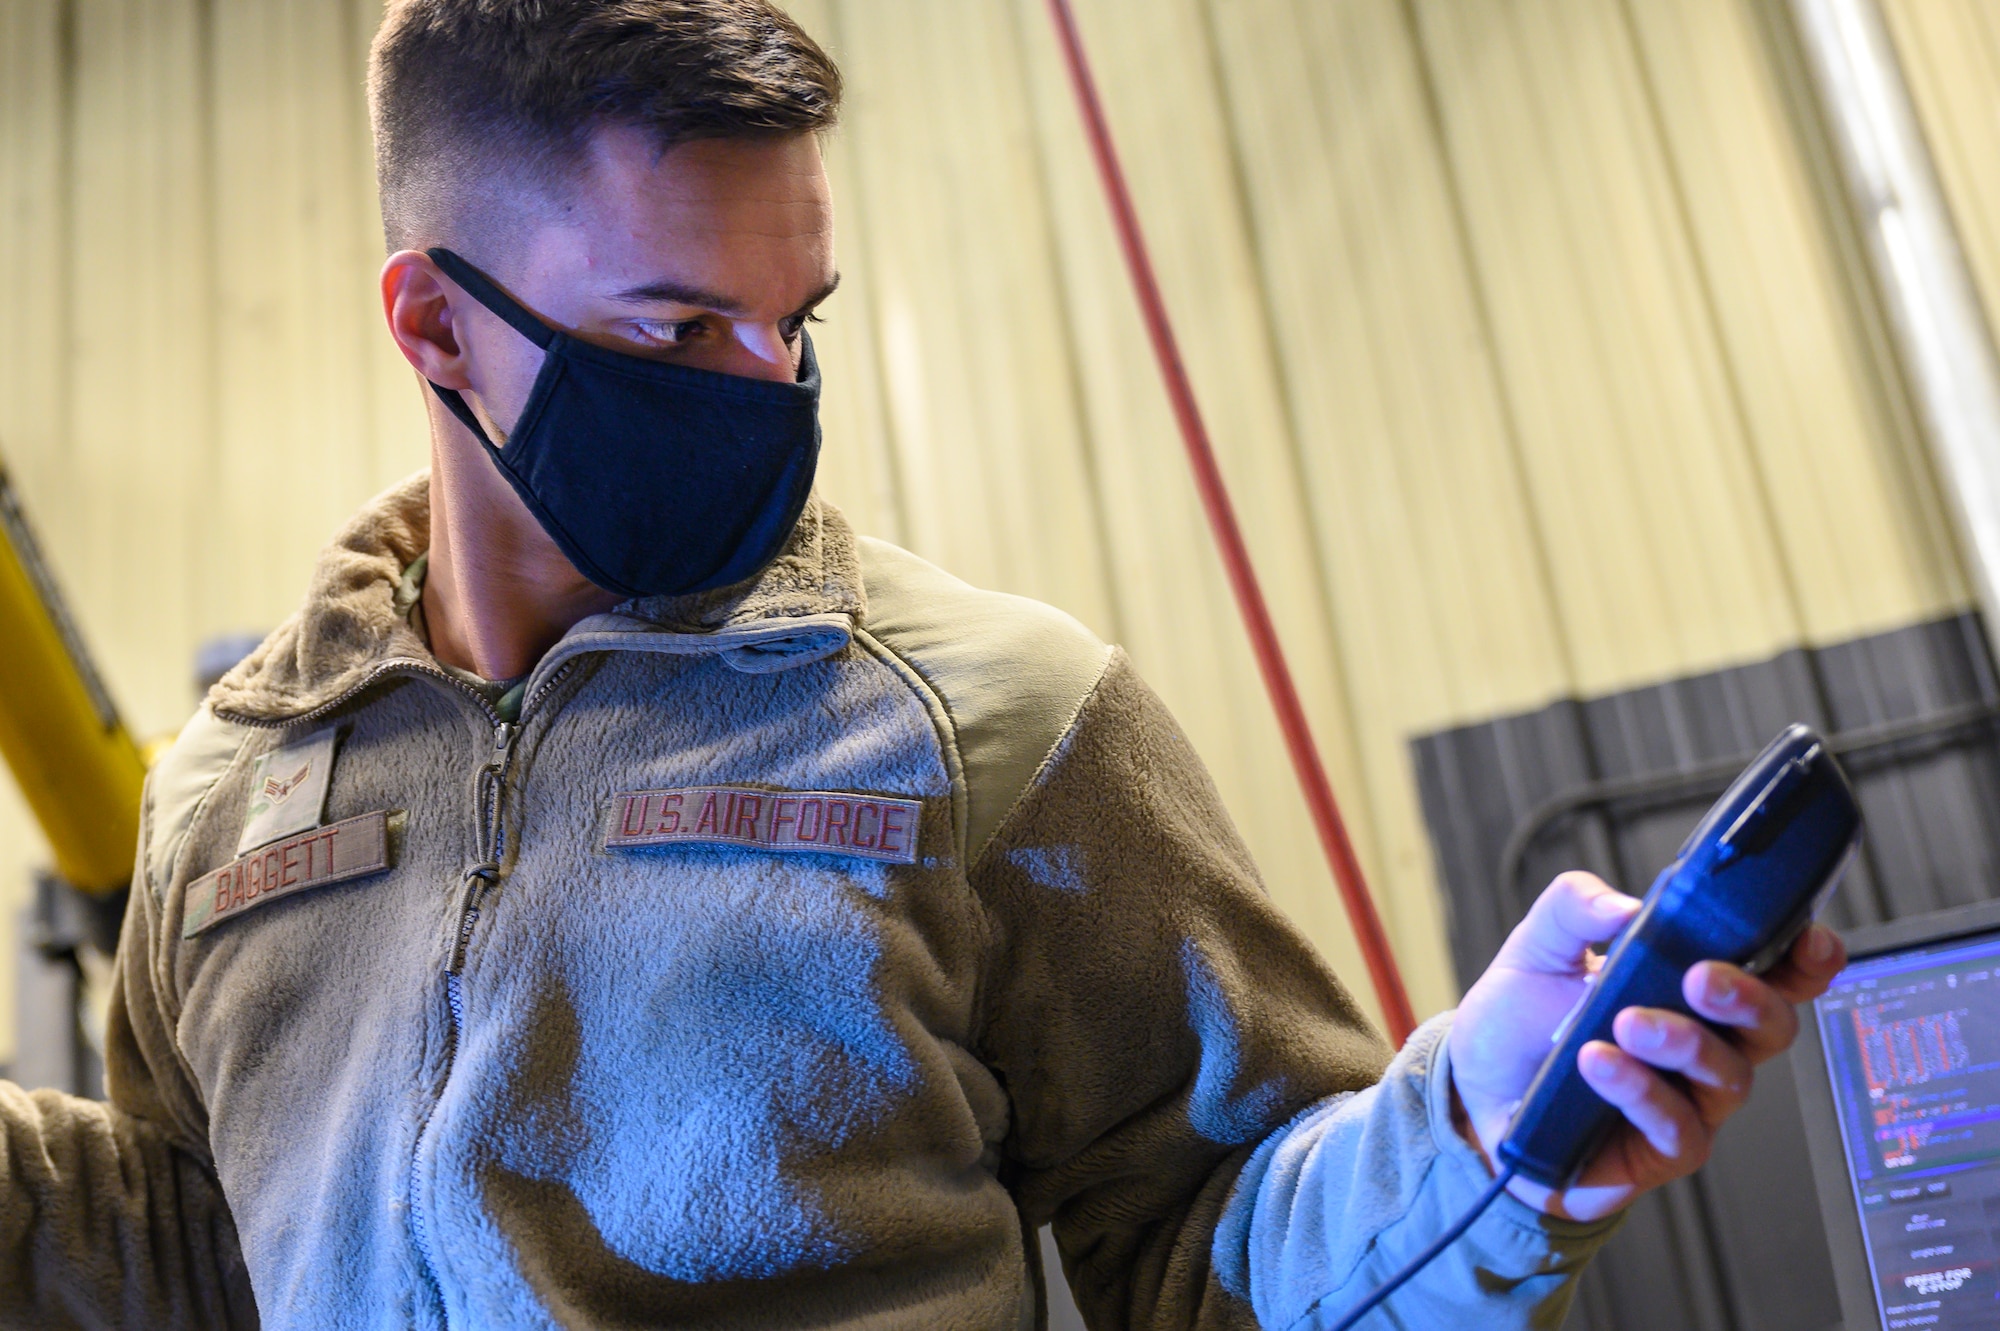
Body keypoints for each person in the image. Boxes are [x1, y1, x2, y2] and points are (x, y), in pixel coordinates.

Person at [0, 2, 1845, 1327]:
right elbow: (200, 1252)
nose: (766, 393)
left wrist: (1483, 1140)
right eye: (679, 326)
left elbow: (1217, 1248)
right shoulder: (233, 785)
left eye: (793, 321)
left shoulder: (1000, 721)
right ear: (436, 326)